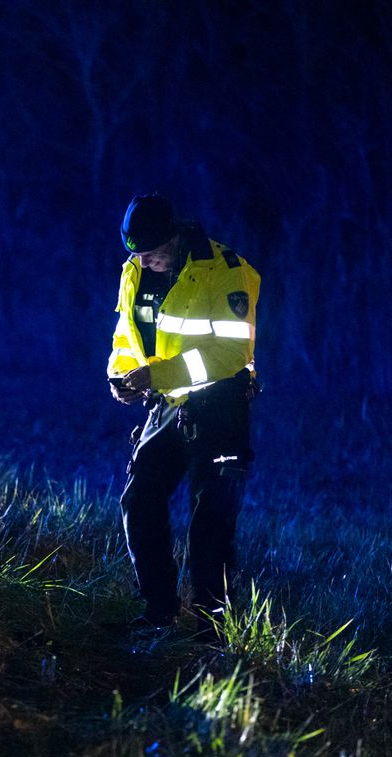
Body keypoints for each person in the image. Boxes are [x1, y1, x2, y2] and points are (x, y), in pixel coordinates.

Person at [107, 193, 260, 634]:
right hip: (166, 406)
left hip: (221, 408)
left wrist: (154, 375)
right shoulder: (134, 271)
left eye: (151, 252)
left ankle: (213, 630)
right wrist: (120, 375)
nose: (144, 261)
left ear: (174, 237)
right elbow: (125, 333)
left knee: (210, 522)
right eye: (136, 253)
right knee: (139, 502)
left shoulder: (227, 271)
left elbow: (231, 353)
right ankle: (159, 613)